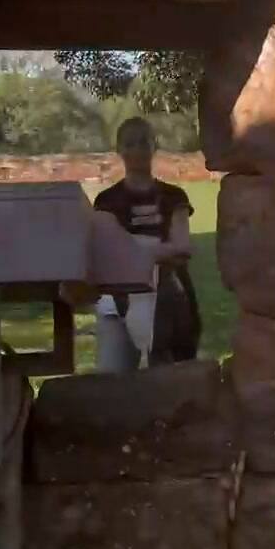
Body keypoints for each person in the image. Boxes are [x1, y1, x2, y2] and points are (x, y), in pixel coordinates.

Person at [93, 117, 202, 372]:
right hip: (117, 296)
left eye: (144, 142)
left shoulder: (174, 197)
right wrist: (157, 250)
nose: (138, 150)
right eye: (130, 143)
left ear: (155, 146)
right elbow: (106, 253)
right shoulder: (107, 200)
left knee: (168, 374)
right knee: (113, 376)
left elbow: (182, 248)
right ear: (119, 150)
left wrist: (129, 247)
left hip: (167, 295)